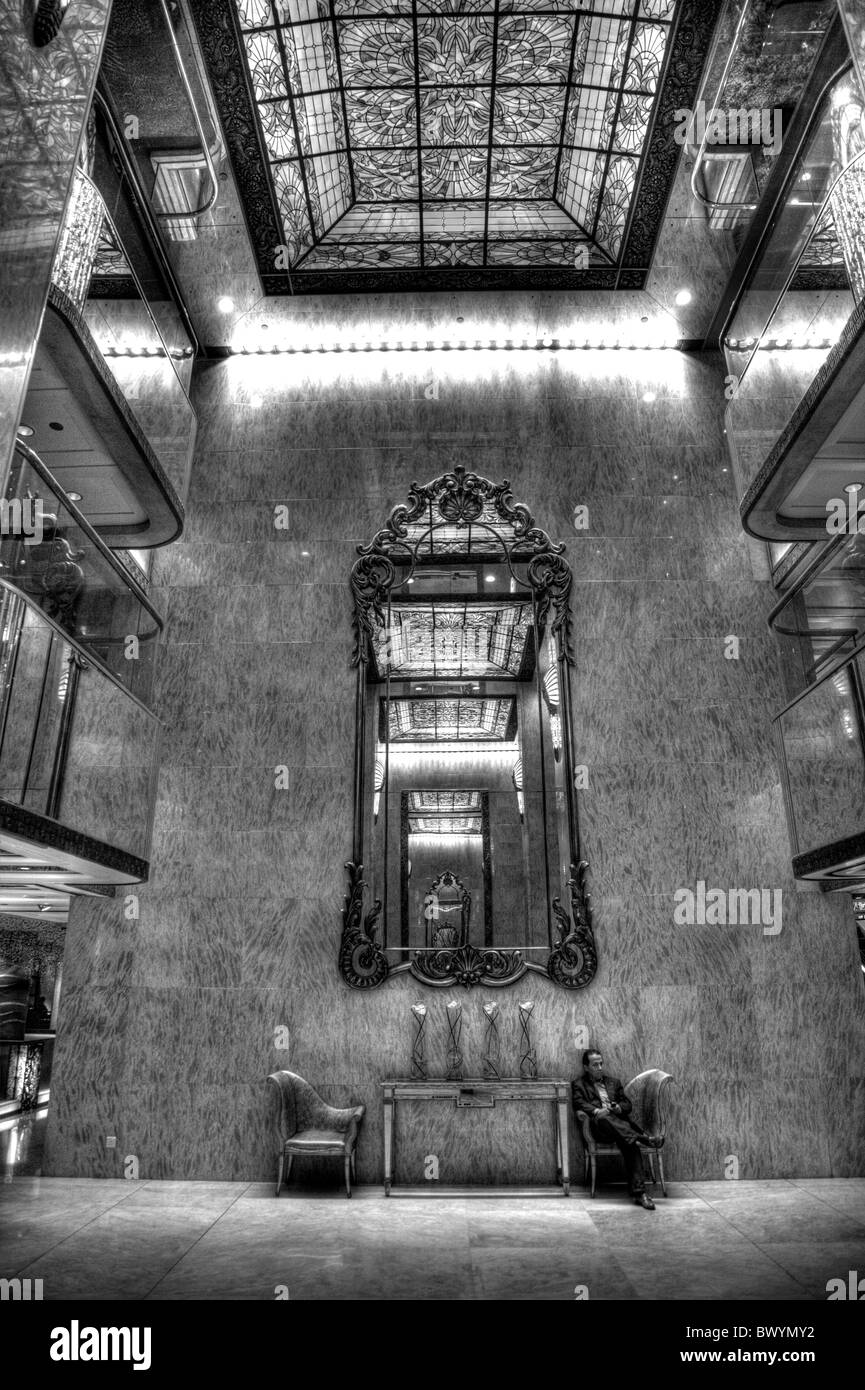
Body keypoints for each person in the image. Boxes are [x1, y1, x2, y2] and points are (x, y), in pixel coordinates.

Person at [572, 1049, 663, 1210]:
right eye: (595, 1065)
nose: (600, 1067)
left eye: (601, 1063)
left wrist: (618, 1108)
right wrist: (596, 1111)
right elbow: (579, 1103)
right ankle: (644, 1139)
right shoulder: (579, 1084)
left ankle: (640, 1193)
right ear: (586, 1067)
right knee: (604, 1117)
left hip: (621, 1127)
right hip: (601, 1129)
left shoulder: (614, 1082)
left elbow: (627, 1104)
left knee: (631, 1145)